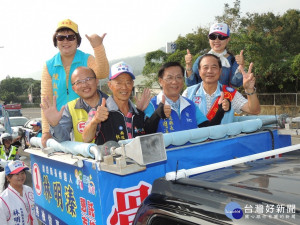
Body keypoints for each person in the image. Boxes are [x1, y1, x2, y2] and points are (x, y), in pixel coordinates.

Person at [41, 18, 110, 147]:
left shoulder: (86, 58)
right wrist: (46, 130)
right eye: (61, 37)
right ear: (56, 40)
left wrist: (98, 47)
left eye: (70, 37)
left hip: (85, 114)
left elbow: (103, 73)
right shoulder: (49, 65)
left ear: (77, 40)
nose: (66, 41)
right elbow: (46, 100)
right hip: (61, 119)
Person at [143, 62, 230, 134]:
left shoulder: (190, 105)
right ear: (160, 81)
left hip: (192, 153)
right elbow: (147, 132)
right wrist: (157, 115)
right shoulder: (152, 104)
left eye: (179, 77)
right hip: (167, 154)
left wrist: (220, 112)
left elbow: (208, 130)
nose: (174, 82)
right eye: (169, 78)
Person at [183, 54, 261, 124]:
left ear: (220, 71)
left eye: (214, 67)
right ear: (199, 71)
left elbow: (254, 110)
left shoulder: (230, 93)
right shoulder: (188, 93)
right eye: (205, 67)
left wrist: (249, 89)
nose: (210, 71)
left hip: (223, 139)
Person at [83, 61, 147, 145]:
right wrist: (95, 121)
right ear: (110, 85)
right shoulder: (99, 111)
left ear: (132, 84)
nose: (124, 87)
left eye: (128, 82)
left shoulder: (138, 114)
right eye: (119, 83)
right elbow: (86, 139)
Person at [41, 67, 108, 143]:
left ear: (96, 81)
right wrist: (55, 125)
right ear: (74, 89)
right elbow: (63, 139)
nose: (84, 85)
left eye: (88, 79)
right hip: (82, 155)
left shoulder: (112, 101)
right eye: (78, 82)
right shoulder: (70, 108)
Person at [185, 22, 244, 87]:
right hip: (203, 96)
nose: (217, 40)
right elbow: (191, 84)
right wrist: (188, 65)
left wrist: (241, 67)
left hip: (225, 96)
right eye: (213, 37)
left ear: (227, 40)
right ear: (209, 39)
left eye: (221, 37)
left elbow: (236, 83)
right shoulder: (201, 59)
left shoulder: (233, 60)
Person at [0, 160, 38, 225]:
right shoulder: (3, 199)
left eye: (22, 173)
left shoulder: (29, 190)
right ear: (8, 178)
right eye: (17, 174)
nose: (21, 176)